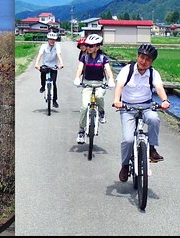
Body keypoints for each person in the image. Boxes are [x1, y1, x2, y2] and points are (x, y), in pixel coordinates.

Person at [112, 43, 171, 182]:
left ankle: (151, 148)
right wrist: (116, 100)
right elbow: (119, 85)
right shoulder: (128, 70)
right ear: (138, 56)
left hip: (146, 106)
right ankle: (125, 165)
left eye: (147, 59)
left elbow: (159, 87)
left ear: (151, 62)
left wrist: (165, 100)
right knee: (128, 139)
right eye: (141, 57)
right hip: (127, 108)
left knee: (154, 119)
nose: (143, 61)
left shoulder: (153, 73)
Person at [72, 34, 115, 144]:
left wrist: (110, 79)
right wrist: (77, 78)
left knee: (99, 96)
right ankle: (81, 131)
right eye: (88, 46)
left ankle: (101, 112)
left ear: (98, 47)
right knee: (84, 107)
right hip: (87, 84)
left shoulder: (103, 58)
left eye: (92, 46)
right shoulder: (84, 57)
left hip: (100, 84)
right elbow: (79, 68)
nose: (89, 48)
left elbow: (108, 70)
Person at [35, 31, 64, 108]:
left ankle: (54, 100)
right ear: (48, 39)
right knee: (43, 75)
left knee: (54, 83)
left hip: (54, 66)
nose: (52, 41)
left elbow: (59, 54)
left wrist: (61, 63)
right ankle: (43, 86)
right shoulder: (44, 46)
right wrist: (36, 64)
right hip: (45, 65)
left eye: (53, 39)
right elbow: (40, 54)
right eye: (50, 39)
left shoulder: (57, 46)